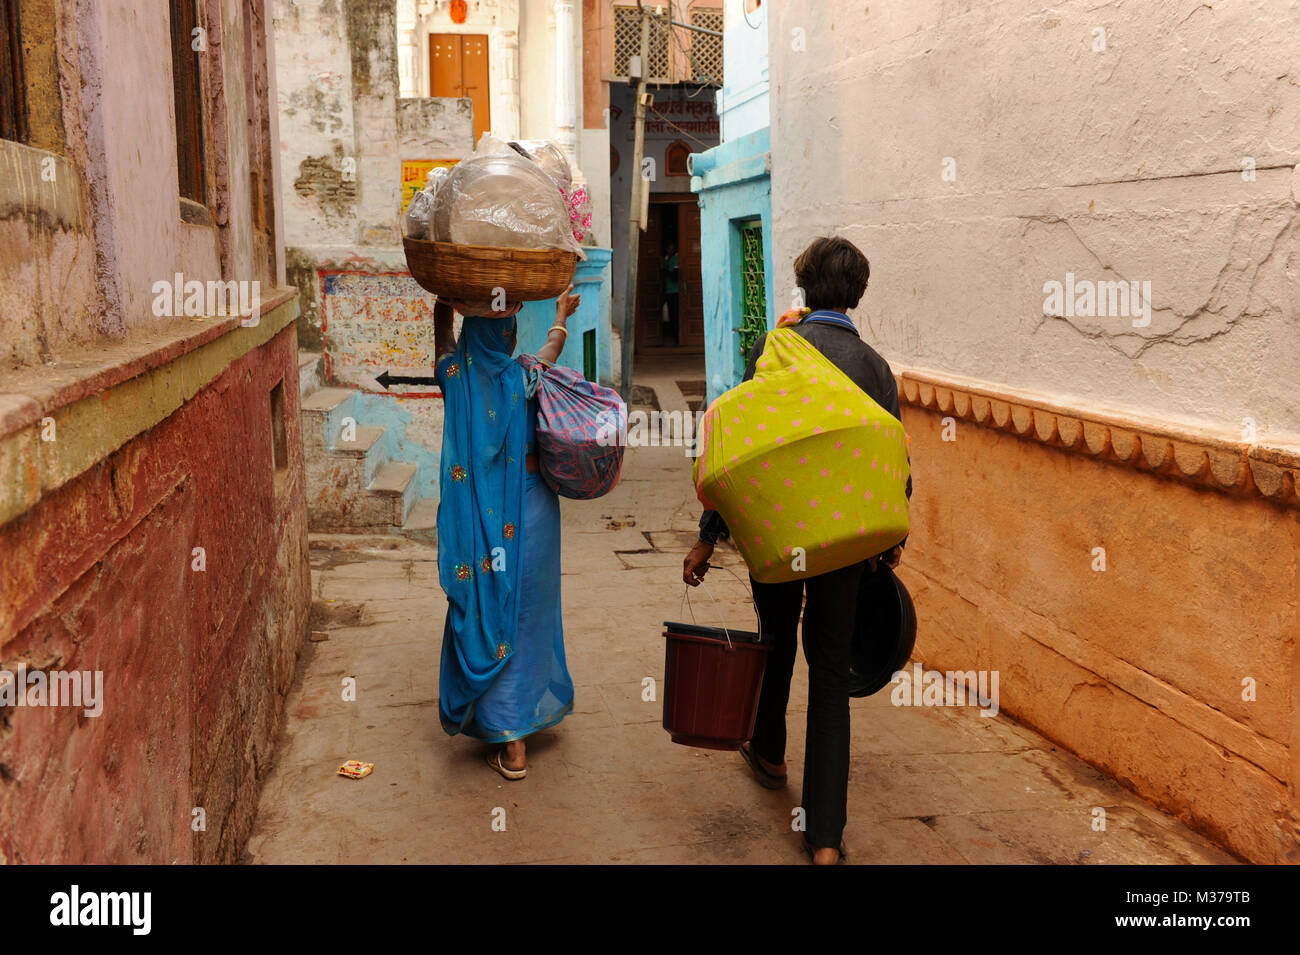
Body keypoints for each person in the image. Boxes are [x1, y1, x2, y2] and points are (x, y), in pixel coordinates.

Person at [682, 236, 910, 865]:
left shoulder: (774, 349)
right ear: (857, 295)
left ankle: (771, 752)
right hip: (843, 544)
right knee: (831, 673)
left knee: (777, 639)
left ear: (804, 288)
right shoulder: (875, 369)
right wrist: (887, 547)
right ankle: (827, 838)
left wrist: (709, 535)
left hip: (779, 532)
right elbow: (895, 463)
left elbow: (744, 454)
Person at [433, 286, 581, 780]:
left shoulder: (454, 376)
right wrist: (560, 314)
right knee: (525, 617)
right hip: (534, 515)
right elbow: (553, 347)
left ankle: (510, 741)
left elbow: (442, 347)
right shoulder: (526, 375)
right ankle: (518, 727)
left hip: (479, 524)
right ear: (508, 333)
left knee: (489, 610)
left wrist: (444, 303)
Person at [662, 241, 680, 345]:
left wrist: (664, 269)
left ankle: (677, 339)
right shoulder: (666, 259)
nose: (670, 250)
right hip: (668, 291)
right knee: (669, 315)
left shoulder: (676, 259)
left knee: (675, 315)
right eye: (668, 248)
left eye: (672, 248)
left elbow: (674, 276)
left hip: (675, 292)